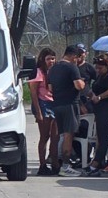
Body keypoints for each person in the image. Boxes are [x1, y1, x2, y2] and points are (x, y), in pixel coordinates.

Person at [45, 44, 86, 176]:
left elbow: (50, 88)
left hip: (57, 105)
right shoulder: (72, 67)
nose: (77, 60)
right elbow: (79, 86)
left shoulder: (53, 69)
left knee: (60, 135)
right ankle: (66, 166)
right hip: (70, 104)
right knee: (69, 135)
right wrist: (83, 82)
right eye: (77, 57)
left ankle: (55, 163)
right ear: (73, 56)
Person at [82, 54, 108, 175]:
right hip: (100, 110)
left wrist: (100, 97)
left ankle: (96, 164)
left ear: (107, 66)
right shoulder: (102, 76)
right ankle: (96, 162)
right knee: (100, 138)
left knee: (103, 138)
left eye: (100, 68)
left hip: (107, 109)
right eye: (97, 68)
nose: (98, 70)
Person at [30, 48, 58, 176]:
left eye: (53, 58)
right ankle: (42, 165)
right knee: (44, 137)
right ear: (42, 59)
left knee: (55, 137)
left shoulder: (55, 72)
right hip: (44, 104)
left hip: (55, 104)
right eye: (48, 59)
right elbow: (33, 93)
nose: (51, 61)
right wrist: (38, 112)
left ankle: (55, 164)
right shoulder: (38, 72)